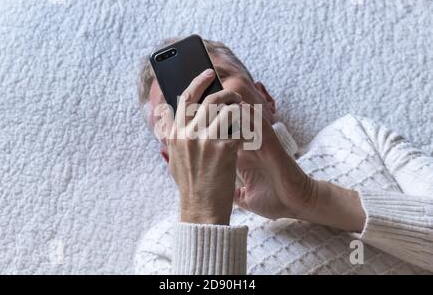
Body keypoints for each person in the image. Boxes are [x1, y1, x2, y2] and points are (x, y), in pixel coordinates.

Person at [134, 38, 433, 275]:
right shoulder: (163, 248)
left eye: (214, 80)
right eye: (178, 109)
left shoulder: (355, 136)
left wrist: (313, 198)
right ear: (170, 156)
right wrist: (203, 213)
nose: (204, 104)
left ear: (264, 96)